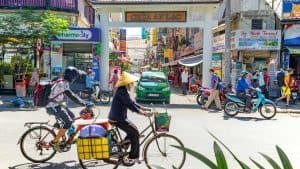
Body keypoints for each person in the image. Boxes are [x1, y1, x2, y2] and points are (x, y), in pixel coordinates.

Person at [108, 71, 152, 165]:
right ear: (127, 83)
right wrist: (142, 113)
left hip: (119, 117)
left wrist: (143, 108)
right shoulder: (122, 91)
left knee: (133, 130)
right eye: (131, 83)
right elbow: (130, 105)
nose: (132, 85)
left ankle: (121, 147)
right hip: (118, 119)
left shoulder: (122, 90)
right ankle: (133, 157)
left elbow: (132, 103)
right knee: (135, 133)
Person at [46, 66, 91, 152]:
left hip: (57, 104)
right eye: (75, 77)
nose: (75, 79)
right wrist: (84, 103)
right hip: (52, 106)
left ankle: (65, 134)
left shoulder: (61, 80)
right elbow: (72, 95)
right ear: (72, 77)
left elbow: (70, 94)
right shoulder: (63, 83)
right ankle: (54, 142)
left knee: (72, 116)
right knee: (68, 121)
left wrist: (83, 101)